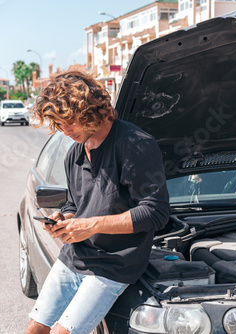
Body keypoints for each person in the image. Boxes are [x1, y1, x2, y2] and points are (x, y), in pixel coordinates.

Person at [25, 70, 170, 334]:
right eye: (58, 125)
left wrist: (92, 226)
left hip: (113, 265)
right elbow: (74, 205)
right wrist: (65, 220)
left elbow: (156, 212)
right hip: (74, 256)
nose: (65, 131)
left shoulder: (136, 145)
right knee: (34, 329)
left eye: (69, 121)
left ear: (88, 109)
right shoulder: (75, 153)